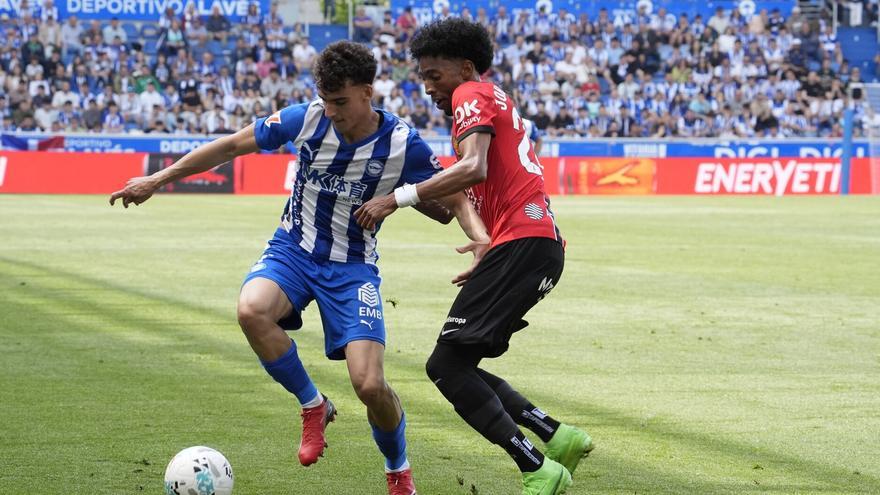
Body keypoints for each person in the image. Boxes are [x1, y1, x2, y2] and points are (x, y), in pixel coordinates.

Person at [109, 41, 489, 495]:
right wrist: (157, 179)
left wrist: (479, 238)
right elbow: (230, 145)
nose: (331, 111)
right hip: (293, 250)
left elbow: (454, 200)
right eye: (325, 100)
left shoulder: (401, 143)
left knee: (370, 386)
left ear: (367, 93)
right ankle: (313, 405)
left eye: (340, 102)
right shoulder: (305, 119)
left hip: (352, 268)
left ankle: (398, 471)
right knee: (251, 310)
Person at [354, 19, 593, 495]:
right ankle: (557, 436)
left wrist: (396, 198)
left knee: (445, 366)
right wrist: (480, 237)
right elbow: (454, 204)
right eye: (422, 77)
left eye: (434, 75)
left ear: (465, 68)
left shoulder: (471, 93)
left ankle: (538, 467)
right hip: (532, 245)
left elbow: (474, 167)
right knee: (459, 363)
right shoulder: (491, 100)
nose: (428, 87)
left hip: (524, 243)